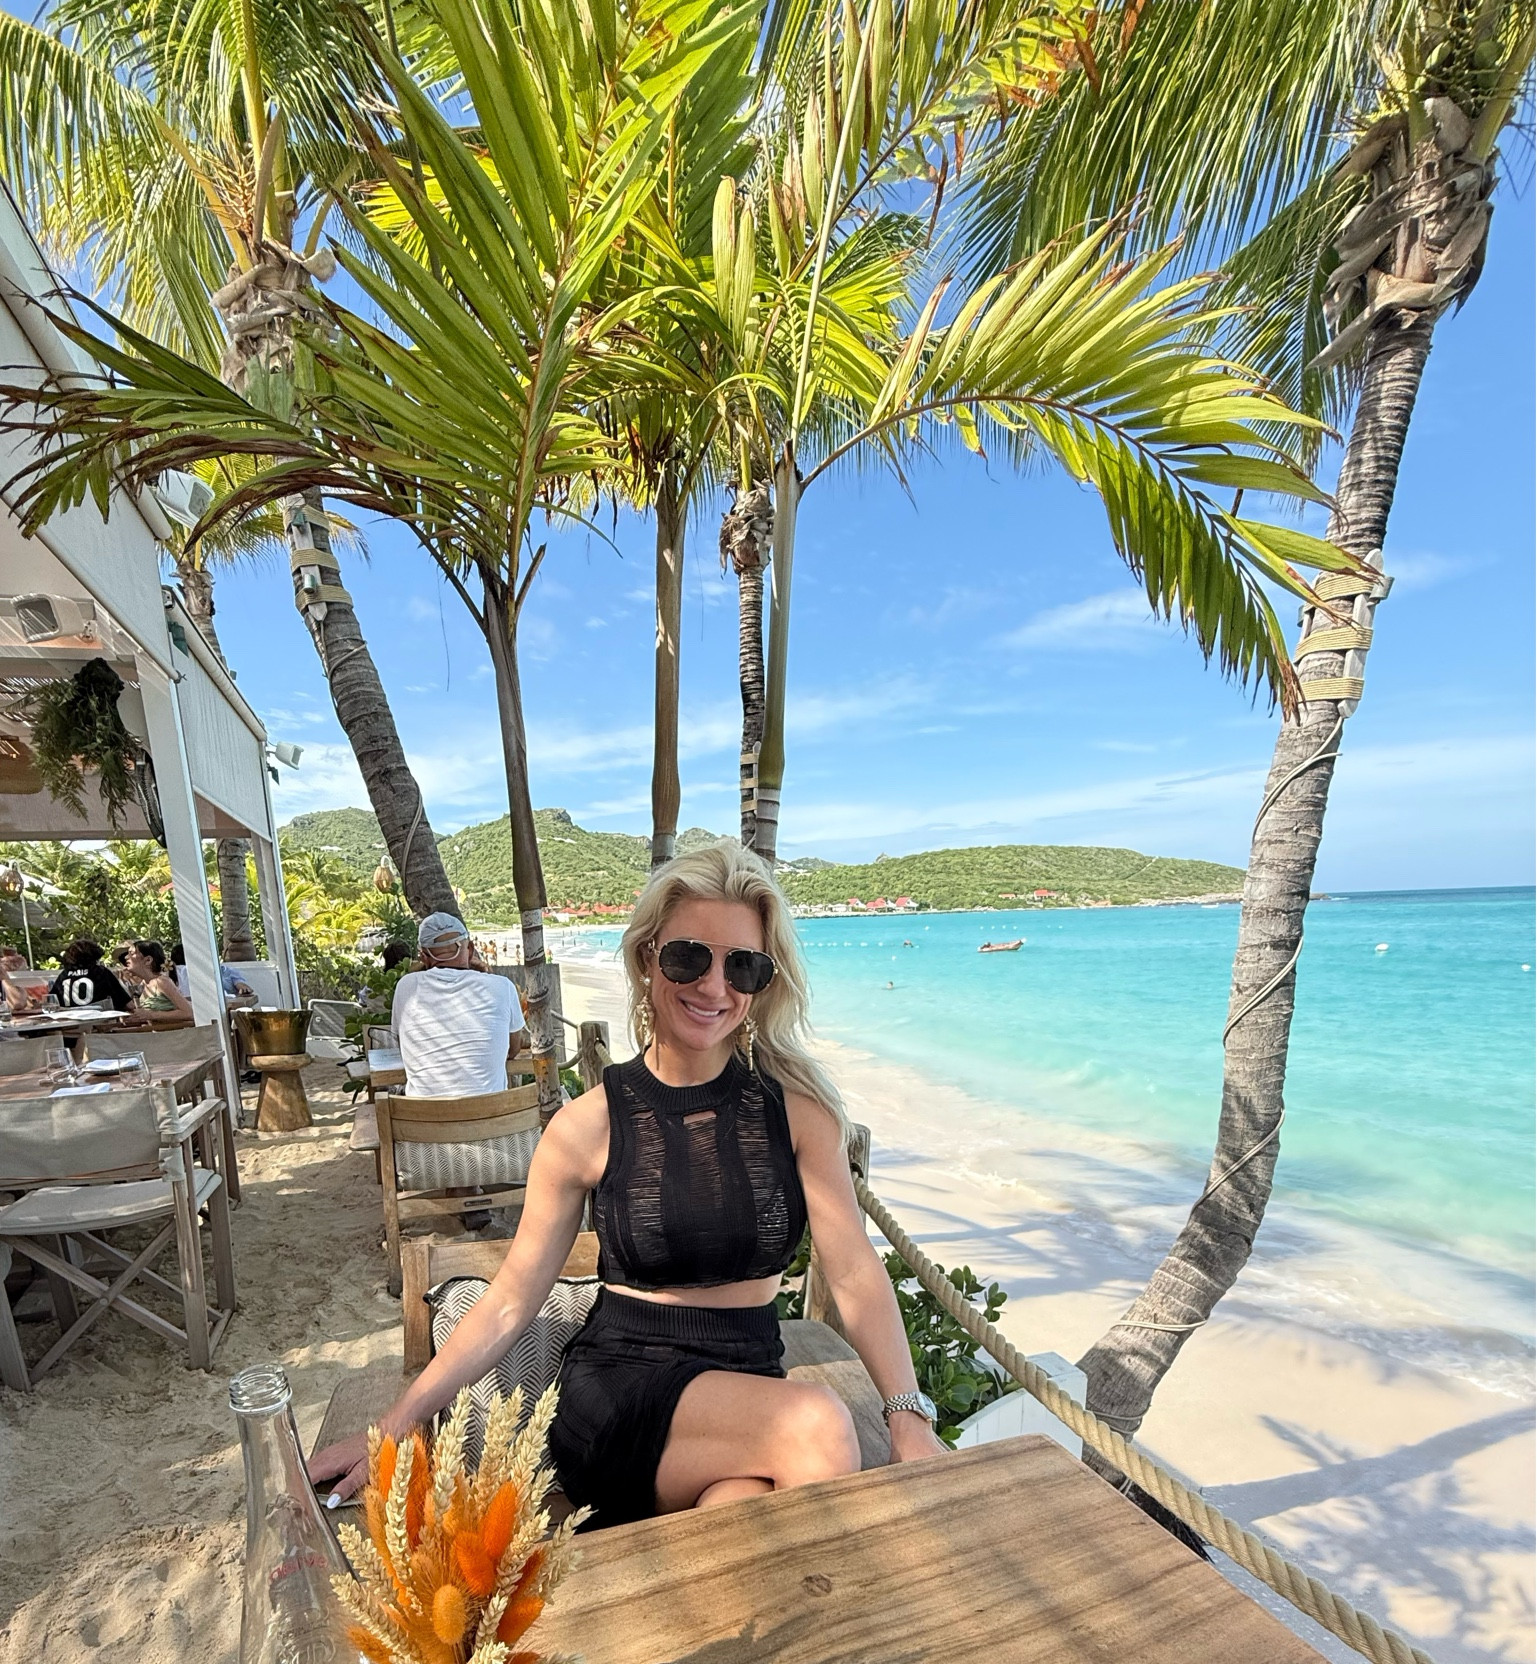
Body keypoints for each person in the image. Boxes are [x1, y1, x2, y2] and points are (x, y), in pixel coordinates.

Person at [310, 843, 946, 1524]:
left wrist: (907, 1415)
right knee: (818, 1425)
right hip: (620, 1389)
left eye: (743, 965)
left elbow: (851, 1270)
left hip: (745, 1393)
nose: (713, 986)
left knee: (745, 1514)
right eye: (687, 957)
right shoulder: (589, 1126)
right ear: (647, 959)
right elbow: (509, 1302)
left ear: (765, 980)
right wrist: (395, 1422)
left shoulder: (796, 1114)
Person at [389, 912, 528, 1096]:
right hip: (491, 1120)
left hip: (423, 1120)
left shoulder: (406, 987)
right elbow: (512, 1049)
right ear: (470, 949)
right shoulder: (502, 987)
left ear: (423, 957)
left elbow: (404, 1049)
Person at [50, 939, 133, 1011]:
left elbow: (51, 1002)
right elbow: (125, 1003)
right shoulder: (101, 972)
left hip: (70, 1024)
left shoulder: (64, 975)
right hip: (99, 1022)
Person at [125, 940, 194, 1020]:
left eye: (132, 954)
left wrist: (151, 1015)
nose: (126, 957)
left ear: (148, 960)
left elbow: (188, 1012)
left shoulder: (161, 982)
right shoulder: (145, 983)